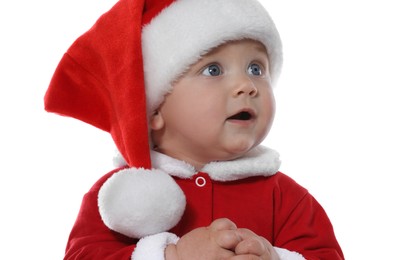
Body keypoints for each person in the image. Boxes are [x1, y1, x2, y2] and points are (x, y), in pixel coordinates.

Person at [45, 0, 344, 259]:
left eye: (256, 68)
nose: (247, 86)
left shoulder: (287, 199)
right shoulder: (116, 198)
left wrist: (275, 257)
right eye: (213, 70)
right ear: (154, 109)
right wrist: (170, 256)